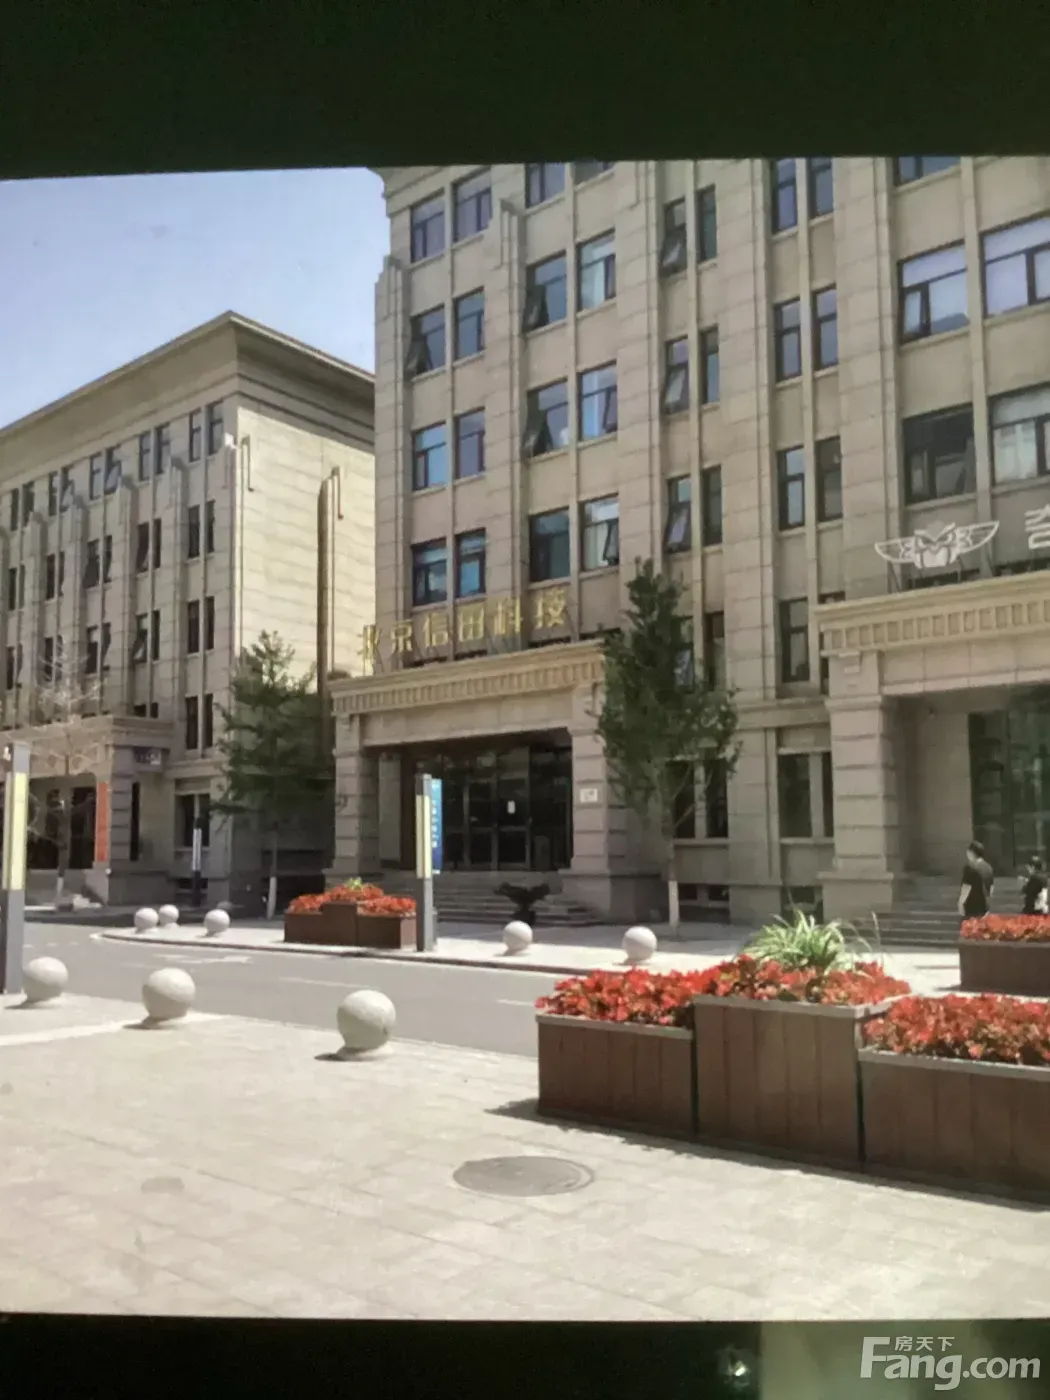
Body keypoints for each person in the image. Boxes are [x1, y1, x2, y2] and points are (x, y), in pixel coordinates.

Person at [957, 840, 994, 922]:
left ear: (971, 852)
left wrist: (960, 903)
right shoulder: (989, 868)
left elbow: (966, 887)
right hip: (984, 908)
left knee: (969, 928)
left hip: (972, 908)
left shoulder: (970, 868)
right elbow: (991, 889)